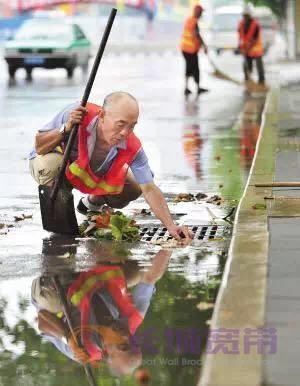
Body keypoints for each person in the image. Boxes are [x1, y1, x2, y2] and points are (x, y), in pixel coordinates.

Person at [29, 92, 193, 241]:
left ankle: (91, 204)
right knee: (51, 165)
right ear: (101, 116)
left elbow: (149, 188)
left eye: (132, 126)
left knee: (135, 186)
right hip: (58, 167)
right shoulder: (76, 114)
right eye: (120, 124)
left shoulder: (132, 146)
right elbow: (39, 146)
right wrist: (66, 128)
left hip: (89, 174)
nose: (125, 132)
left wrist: (171, 226)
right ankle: (60, 217)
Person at [32, 249, 172, 376]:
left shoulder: (81, 349)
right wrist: (169, 245)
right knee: (136, 273)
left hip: (60, 291)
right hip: (89, 282)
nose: (126, 336)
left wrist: (68, 338)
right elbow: (150, 279)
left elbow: (42, 318)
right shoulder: (133, 318)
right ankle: (97, 240)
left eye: (123, 345)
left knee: (50, 301)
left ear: (105, 352)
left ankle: (56, 257)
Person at [180, 4, 208, 96]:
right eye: (201, 12)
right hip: (190, 50)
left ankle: (187, 87)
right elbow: (197, 35)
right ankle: (197, 87)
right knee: (195, 68)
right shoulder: (194, 22)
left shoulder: (189, 20)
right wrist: (204, 45)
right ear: (198, 12)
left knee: (189, 67)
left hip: (185, 49)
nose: (201, 14)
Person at [238, 4, 266, 86]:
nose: (245, 17)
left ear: (250, 16)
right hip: (246, 48)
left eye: (247, 15)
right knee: (246, 65)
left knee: (259, 65)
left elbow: (254, 39)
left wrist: (247, 48)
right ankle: (248, 80)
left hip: (256, 48)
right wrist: (240, 47)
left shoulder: (255, 25)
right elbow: (240, 36)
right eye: (244, 15)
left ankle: (261, 81)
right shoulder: (241, 24)